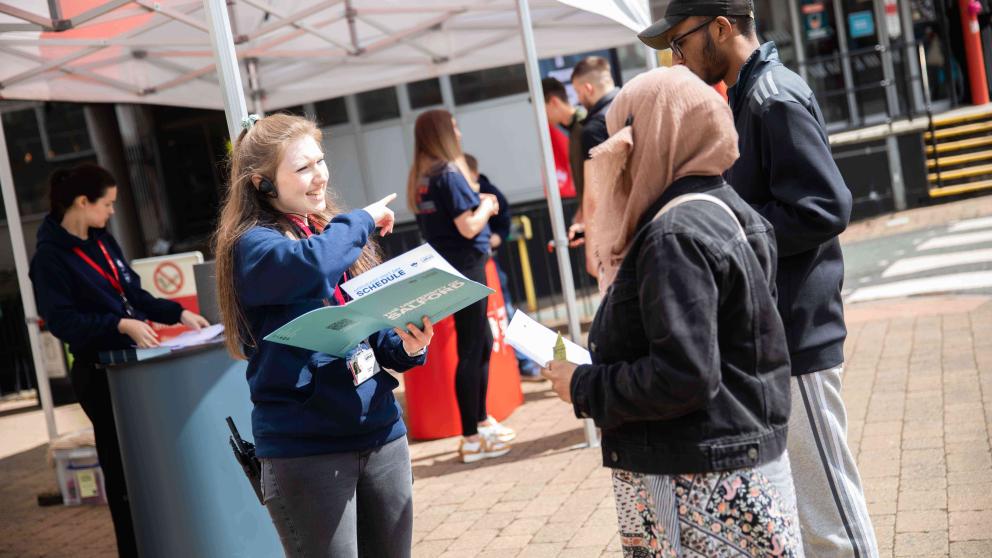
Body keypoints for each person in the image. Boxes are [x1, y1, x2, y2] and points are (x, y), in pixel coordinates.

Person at [638, 2, 878, 556]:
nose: (676, 57)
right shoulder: (751, 94)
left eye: (680, 42)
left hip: (799, 332)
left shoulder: (770, 97)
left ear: (720, 27)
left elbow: (825, 206)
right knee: (811, 506)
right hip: (780, 331)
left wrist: (732, 233)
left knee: (830, 511)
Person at [542, 66, 802, 556]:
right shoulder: (729, 207)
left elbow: (682, 375)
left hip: (697, 479)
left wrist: (581, 384)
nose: (618, 160)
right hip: (740, 462)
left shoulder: (674, 234)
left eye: (626, 142)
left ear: (658, 137)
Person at [213, 113, 433, 557]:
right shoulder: (254, 245)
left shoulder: (327, 232)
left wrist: (408, 345)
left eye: (321, 161)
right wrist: (361, 221)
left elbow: (364, 329)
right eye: (302, 168)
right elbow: (310, 268)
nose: (319, 177)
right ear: (262, 184)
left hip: (379, 431)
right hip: (307, 450)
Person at [30, 163, 210, 557]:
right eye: (107, 203)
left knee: (149, 464)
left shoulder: (103, 241)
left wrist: (177, 313)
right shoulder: (49, 259)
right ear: (82, 202)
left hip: (133, 369)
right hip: (99, 375)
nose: (112, 211)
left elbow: (135, 294)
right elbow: (63, 322)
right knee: (123, 471)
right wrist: (121, 324)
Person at [406, 110, 515, 463]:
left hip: (453, 266)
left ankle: (480, 422)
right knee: (472, 348)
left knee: (479, 341)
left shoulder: (423, 177)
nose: (458, 131)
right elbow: (468, 226)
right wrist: (486, 204)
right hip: (466, 265)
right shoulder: (448, 174)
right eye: (452, 126)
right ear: (442, 132)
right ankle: (470, 435)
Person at [463, 154, 542, 381]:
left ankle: (525, 361)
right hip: (470, 262)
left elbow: (503, 224)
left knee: (504, 311)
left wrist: (491, 240)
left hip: (487, 261)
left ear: (474, 175)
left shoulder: (489, 192)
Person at [567, 56, 620, 247]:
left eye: (578, 93)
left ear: (588, 88)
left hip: (619, 228)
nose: (579, 100)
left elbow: (595, 192)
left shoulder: (594, 128)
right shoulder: (638, 106)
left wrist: (591, 242)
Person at [541, 77, 583, 204]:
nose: (541, 115)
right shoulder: (572, 128)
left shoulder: (584, 125)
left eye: (542, 107)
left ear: (554, 102)